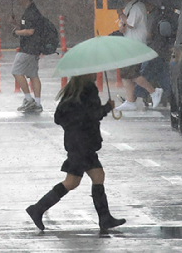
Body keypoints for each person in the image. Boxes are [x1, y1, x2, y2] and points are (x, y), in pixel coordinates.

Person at [26, 73, 126, 231]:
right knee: (73, 182)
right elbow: (93, 114)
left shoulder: (71, 90)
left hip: (76, 142)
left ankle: (105, 218)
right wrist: (108, 107)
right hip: (83, 144)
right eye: (94, 71)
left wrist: (73, 125)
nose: (96, 74)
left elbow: (59, 117)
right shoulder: (88, 89)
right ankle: (37, 208)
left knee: (95, 176)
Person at [115, 0, 163, 111]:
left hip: (136, 45)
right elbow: (124, 26)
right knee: (126, 73)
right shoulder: (129, 7)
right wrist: (121, 24)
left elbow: (131, 24)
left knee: (132, 73)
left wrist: (121, 14)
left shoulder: (138, 7)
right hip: (128, 44)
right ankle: (130, 100)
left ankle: (154, 91)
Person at [132, 0, 172, 105]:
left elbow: (149, 33)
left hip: (153, 49)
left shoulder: (153, 16)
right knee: (161, 75)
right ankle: (171, 95)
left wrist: (139, 32)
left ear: (148, 3)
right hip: (159, 49)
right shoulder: (159, 14)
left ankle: (134, 97)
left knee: (144, 73)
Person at [10, 0, 44, 112]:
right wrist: (16, 24)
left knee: (16, 71)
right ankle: (38, 103)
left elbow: (30, 31)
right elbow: (28, 28)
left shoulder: (31, 13)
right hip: (34, 48)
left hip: (28, 48)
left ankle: (29, 99)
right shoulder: (31, 11)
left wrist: (16, 32)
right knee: (33, 75)